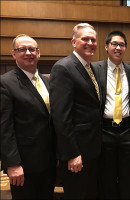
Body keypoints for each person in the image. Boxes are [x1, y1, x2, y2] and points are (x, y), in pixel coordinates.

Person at [49, 23, 102, 199]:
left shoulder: (91, 68)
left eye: (93, 39)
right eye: (85, 39)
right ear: (73, 42)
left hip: (92, 150)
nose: (90, 43)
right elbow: (61, 117)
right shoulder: (63, 68)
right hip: (76, 154)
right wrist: (72, 154)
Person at [0, 34, 56, 199]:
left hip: (48, 162)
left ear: (38, 53)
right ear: (13, 54)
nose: (28, 53)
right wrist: (12, 163)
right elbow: (4, 127)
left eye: (32, 49)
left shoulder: (47, 82)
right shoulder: (5, 83)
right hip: (24, 166)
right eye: (22, 49)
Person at [92, 30, 130, 199]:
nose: (118, 47)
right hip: (104, 130)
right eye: (114, 44)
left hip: (127, 130)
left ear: (125, 48)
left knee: (128, 176)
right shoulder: (95, 69)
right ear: (106, 47)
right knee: (107, 177)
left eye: (122, 45)